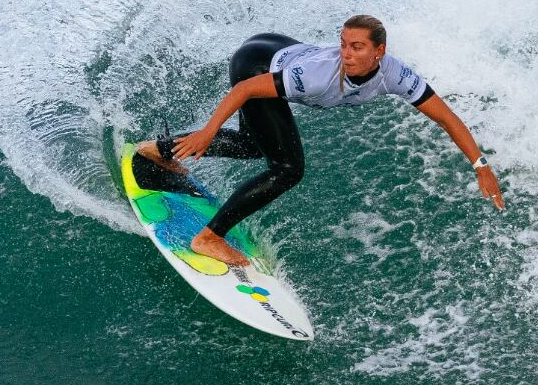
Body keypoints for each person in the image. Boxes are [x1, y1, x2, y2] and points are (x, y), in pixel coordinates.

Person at [136, 15, 505, 266]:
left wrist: (480, 165)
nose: (347, 54)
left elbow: (446, 117)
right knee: (287, 169)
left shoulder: (395, 75)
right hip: (256, 64)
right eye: (344, 45)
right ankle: (209, 238)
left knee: (253, 145)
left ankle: (159, 150)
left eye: (357, 47)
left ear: (380, 52)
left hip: (276, 48)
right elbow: (248, 88)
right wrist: (208, 129)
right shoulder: (316, 76)